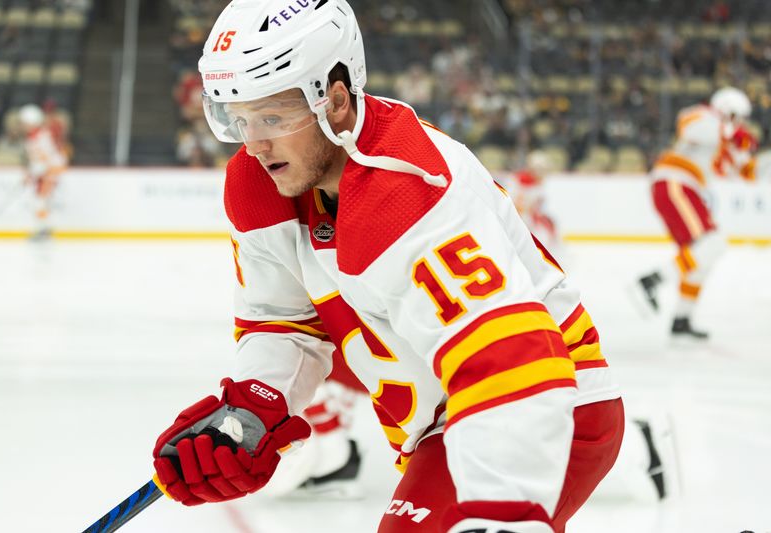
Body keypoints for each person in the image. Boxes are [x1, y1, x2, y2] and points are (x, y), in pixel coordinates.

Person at [151, 2, 624, 532]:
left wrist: (502, 509)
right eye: (238, 119)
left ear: (333, 100)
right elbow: (281, 321)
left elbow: (510, 359)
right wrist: (252, 408)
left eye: (273, 117)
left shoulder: (405, 191)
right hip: (446, 416)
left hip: (545, 399)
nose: (255, 144)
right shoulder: (259, 182)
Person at [637, 87, 757, 340]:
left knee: (703, 255)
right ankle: (652, 281)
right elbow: (689, 125)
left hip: (683, 187)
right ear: (728, 110)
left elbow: (743, 171)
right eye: (739, 117)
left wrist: (746, 155)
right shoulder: (703, 116)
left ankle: (682, 319)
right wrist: (732, 133)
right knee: (711, 244)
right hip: (675, 182)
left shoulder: (722, 136)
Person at [19, 104, 68, 240]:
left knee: (41, 201)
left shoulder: (43, 136)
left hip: (49, 174)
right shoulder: (32, 138)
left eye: (24, 123)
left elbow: (53, 156)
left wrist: (43, 170)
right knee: (40, 201)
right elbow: (35, 159)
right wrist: (31, 173)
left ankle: (43, 229)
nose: (22, 126)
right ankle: (43, 228)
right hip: (42, 174)